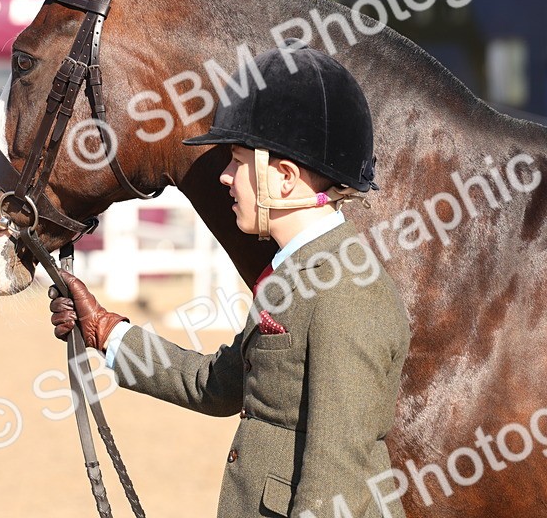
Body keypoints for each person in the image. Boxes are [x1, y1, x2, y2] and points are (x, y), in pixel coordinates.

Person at [49, 45, 411, 518]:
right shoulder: (296, 271)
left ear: (284, 178)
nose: (224, 177)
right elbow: (217, 385)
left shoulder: (346, 293)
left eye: (238, 162)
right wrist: (105, 331)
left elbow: (335, 474)